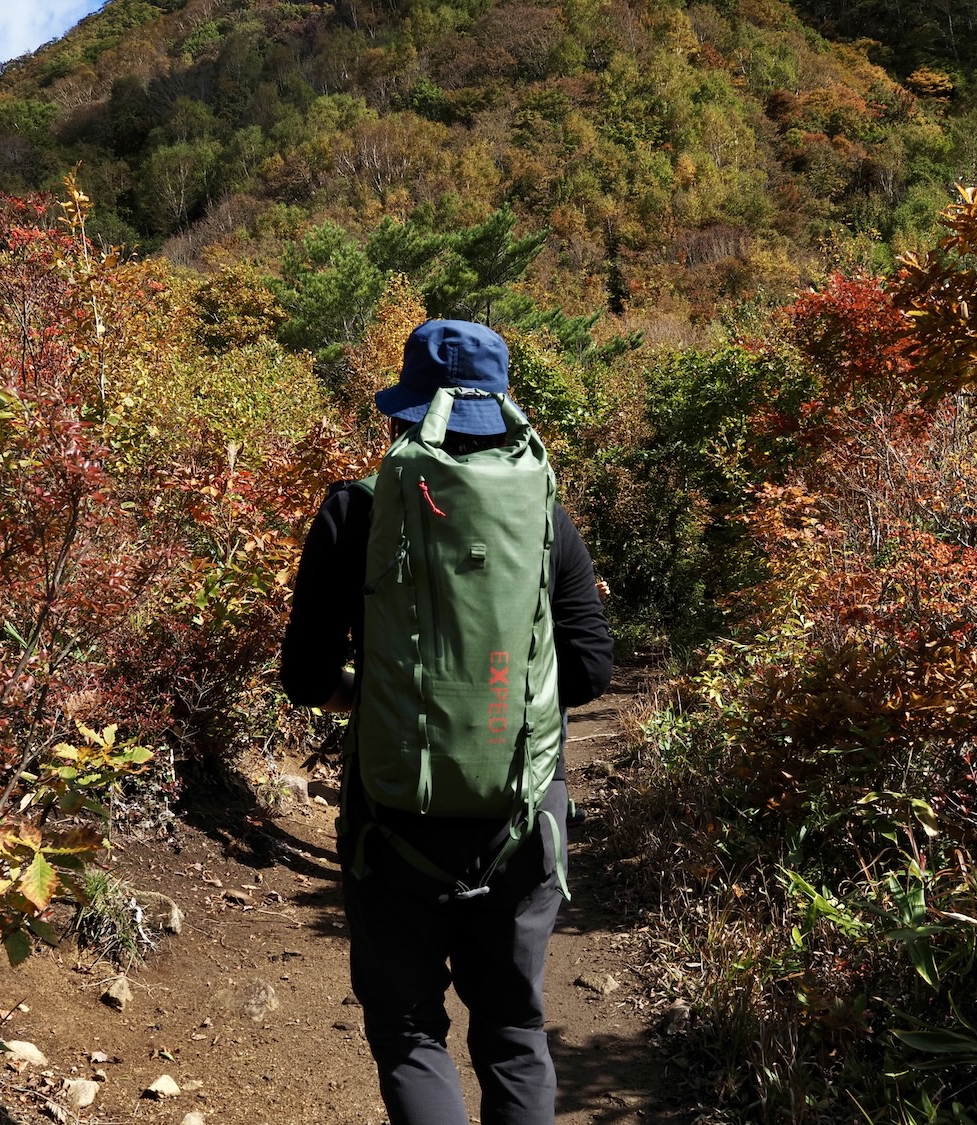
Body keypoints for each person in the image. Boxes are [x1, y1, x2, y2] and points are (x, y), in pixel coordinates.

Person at [280, 319, 613, 1125]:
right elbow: (592, 667)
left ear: (404, 413)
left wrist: (381, 694)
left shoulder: (353, 512)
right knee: (511, 1027)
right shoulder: (542, 511)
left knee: (408, 1028)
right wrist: (503, 702)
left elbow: (304, 676)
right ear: (500, 410)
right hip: (522, 809)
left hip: (393, 817)